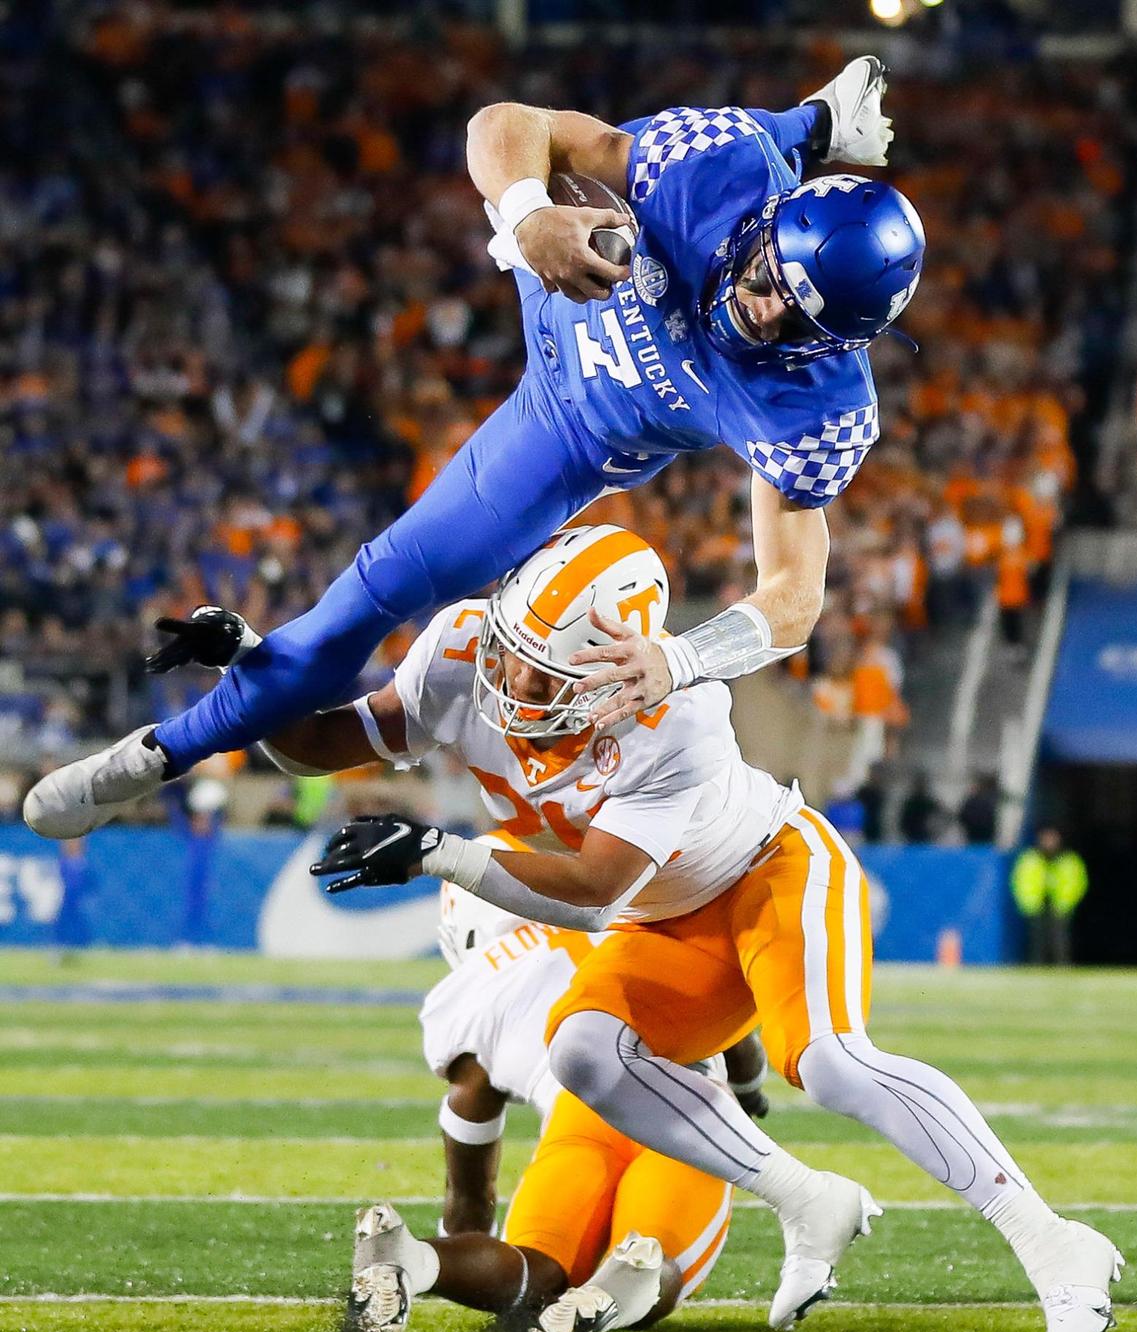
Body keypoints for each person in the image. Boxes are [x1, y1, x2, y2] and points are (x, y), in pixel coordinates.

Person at [260, 525, 1119, 1332]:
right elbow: (320, 741)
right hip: (668, 919)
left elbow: (596, 893)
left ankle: (1053, 1244)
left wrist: (436, 852)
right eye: (512, 647)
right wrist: (250, 674)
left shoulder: (679, 712)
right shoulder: (465, 653)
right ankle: (806, 1197)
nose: (514, 680)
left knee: (829, 1063)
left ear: (619, 663)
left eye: (544, 668)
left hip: (766, 871)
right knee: (583, 1051)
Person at [24, 57, 925, 842]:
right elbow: (506, 124)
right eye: (768, 275)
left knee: (370, 595)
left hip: (569, 430)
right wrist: (530, 212)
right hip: (576, 265)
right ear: (766, 227)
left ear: (839, 344)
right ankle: (814, 122)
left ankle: (150, 758)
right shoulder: (720, 172)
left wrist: (679, 660)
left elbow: (796, 597)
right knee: (637, 166)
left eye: (793, 318)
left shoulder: (818, 411)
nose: (761, 307)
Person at [349, 851, 768, 1332]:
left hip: (579, 1120)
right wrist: (748, 1092)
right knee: (658, 1265)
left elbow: (469, 1191)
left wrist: (459, 1245)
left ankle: (413, 1260)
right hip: (687, 1103)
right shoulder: (635, 923)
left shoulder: (469, 992)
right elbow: (739, 1039)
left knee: (536, 1272)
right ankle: (622, 1285)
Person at [1011, 827, 1089, 966]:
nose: (1049, 842)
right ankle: (1036, 965)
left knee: (1059, 939)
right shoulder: (1030, 859)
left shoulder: (1068, 860)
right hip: (1035, 905)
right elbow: (1019, 881)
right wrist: (1027, 902)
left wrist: (1066, 902)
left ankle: (1062, 965)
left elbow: (1078, 882)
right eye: (1046, 838)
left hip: (1059, 906)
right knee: (1037, 940)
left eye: (1051, 838)